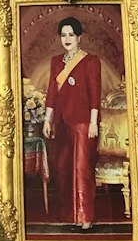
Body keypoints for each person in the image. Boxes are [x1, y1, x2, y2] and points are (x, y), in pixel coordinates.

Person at [42, 15, 101, 229]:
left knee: (82, 169)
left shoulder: (91, 61)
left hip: (85, 122)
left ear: (79, 37)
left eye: (71, 35)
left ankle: (85, 216)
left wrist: (94, 122)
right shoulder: (56, 62)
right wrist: (47, 119)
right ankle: (70, 215)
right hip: (62, 123)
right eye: (63, 35)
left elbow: (95, 93)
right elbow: (51, 93)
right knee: (63, 168)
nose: (67, 39)